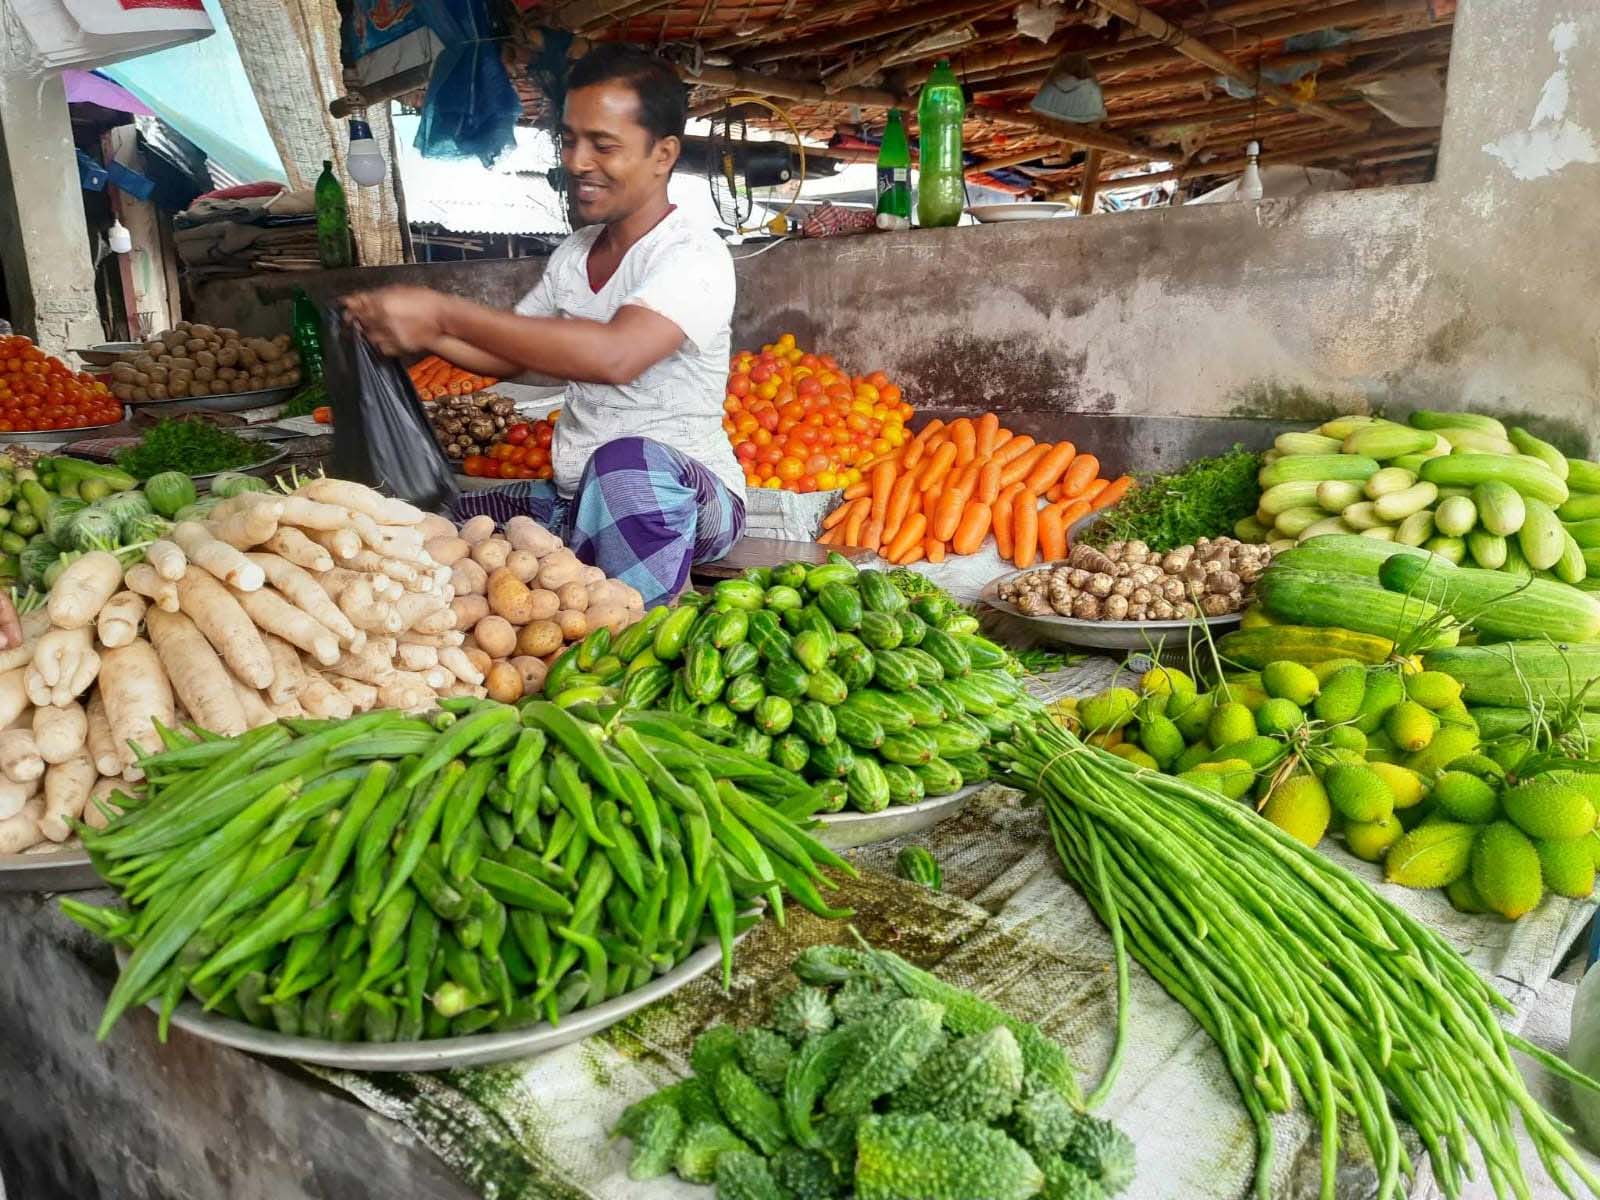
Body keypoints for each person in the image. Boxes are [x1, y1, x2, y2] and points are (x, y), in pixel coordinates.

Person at [343, 45, 742, 607]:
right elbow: (511, 358)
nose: (578, 161)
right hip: (576, 497)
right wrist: (426, 336)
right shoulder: (574, 255)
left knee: (625, 463)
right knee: (445, 517)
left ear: (663, 154)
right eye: (570, 138)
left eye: (603, 145)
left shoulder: (693, 254)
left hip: (686, 500)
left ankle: (635, 635)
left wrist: (443, 311)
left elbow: (615, 356)